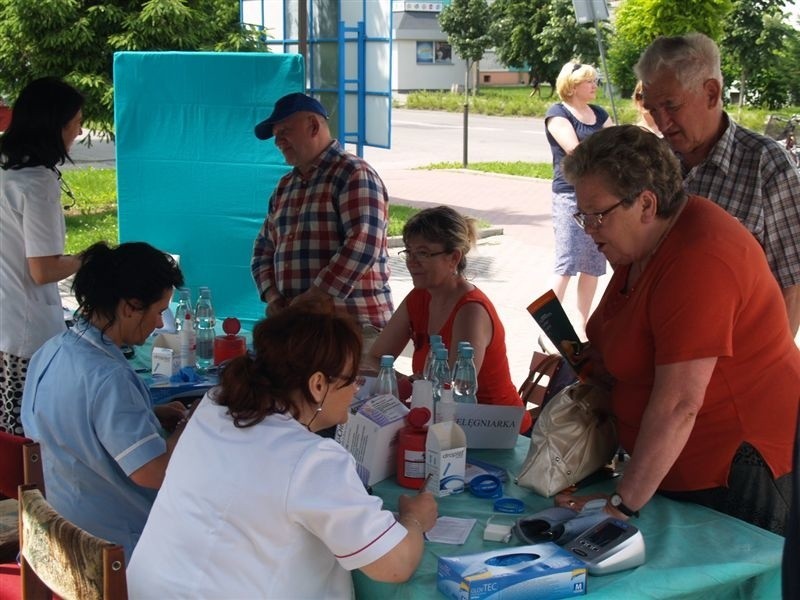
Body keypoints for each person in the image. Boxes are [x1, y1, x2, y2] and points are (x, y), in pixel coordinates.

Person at [556, 125, 800, 535]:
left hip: (737, 471)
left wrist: (620, 505)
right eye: (582, 216)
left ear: (646, 205)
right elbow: (630, 343)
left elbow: (679, 404)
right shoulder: (640, 247)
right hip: (674, 470)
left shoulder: (700, 258)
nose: (589, 229)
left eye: (597, 216)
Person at [127, 306, 437, 599]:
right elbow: (394, 565)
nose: (356, 389)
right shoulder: (311, 460)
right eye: (352, 379)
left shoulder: (213, 405)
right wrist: (414, 520)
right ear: (317, 384)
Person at [21, 241, 188, 560]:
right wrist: (188, 429)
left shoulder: (52, 349)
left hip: (60, 531)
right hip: (111, 550)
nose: (158, 324)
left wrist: (147, 414)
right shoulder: (110, 378)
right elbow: (154, 473)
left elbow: (74, 422)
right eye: (158, 312)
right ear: (129, 307)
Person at [635, 32, 800, 337]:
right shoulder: (651, 161)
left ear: (711, 93)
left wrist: (770, 368)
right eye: (653, 109)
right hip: (658, 343)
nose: (662, 122)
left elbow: (791, 284)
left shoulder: (766, 164)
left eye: (671, 106)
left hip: (734, 353)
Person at [251, 92, 393, 356]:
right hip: (301, 330)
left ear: (313, 126)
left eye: (285, 131)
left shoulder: (354, 174)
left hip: (353, 330)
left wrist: (314, 296)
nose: (278, 141)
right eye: (276, 135)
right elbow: (262, 250)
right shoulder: (285, 186)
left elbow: (363, 245)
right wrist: (272, 297)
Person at [369, 206, 532, 433]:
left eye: (424, 253)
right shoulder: (419, 297)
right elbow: (376, 359)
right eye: (409, 252)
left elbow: (453, 392)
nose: (411, 262)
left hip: (496, 431)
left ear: (453, 258)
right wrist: (405, 383)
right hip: (444, 425)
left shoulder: (471, 310)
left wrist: (412, 386)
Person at [0, 77, 86, 435]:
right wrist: (90, 259)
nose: (79, 132)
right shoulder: (36, 181)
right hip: (26, 337)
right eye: (77, 123)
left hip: (5, 327)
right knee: (30, 445)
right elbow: (43, 269)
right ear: (57, 125)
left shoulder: (5, 168)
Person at [544, 62, 613, 330]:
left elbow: (617, 144)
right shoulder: (558, 114)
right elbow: (576, 151)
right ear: (572, 86)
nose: (595, 85)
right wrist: (608, 151)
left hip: (600, 198)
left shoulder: (598, 113)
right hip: (569, 196)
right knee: (567, 261)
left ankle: (582, 324)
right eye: (589, 81)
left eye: (595, 80)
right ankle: (548, 322)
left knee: (593, 262)